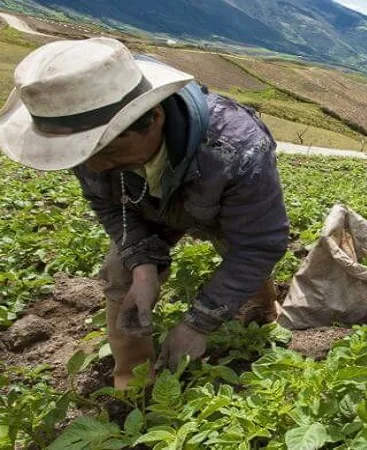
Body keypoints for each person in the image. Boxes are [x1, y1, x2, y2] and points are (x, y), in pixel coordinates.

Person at [0, 38, 289, 389]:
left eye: (107, 150)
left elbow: (258, 244)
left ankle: (263, 306)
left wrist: (198, 324)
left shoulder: (238, 150)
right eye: (82, 155)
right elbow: (106, 202)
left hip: (216, 202)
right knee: (119, 272)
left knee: (238, 250)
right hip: (144, 206)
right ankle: (134, 380)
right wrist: (141, 265)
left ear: (154, 117)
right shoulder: (83, 142)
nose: (94, 166)